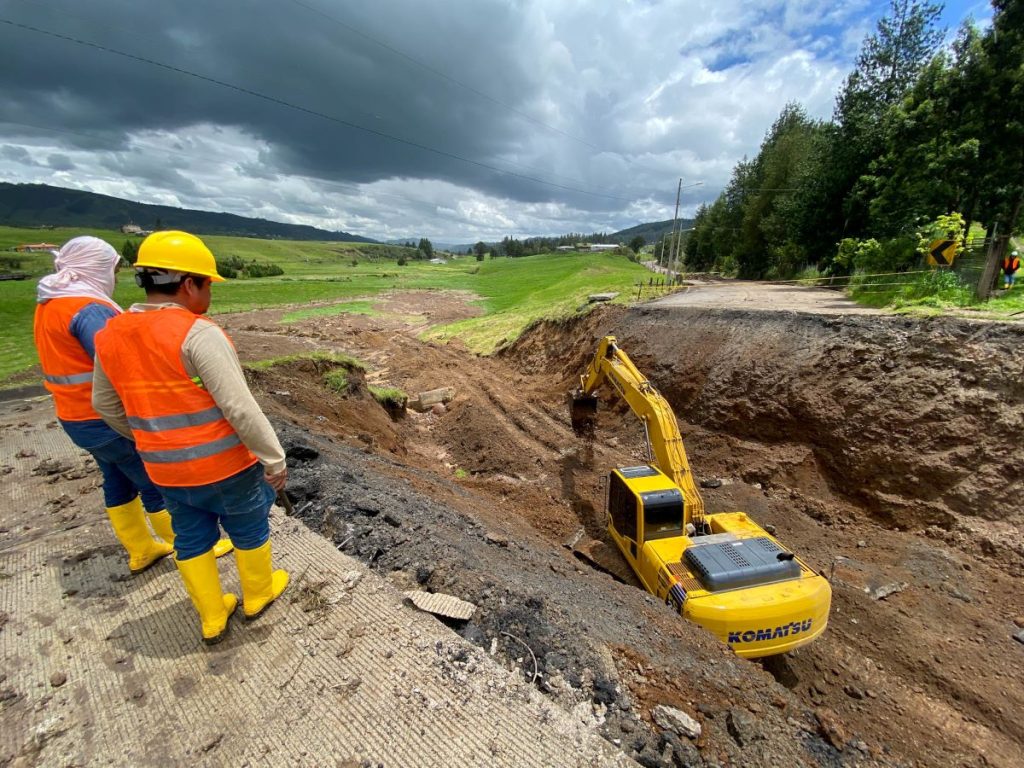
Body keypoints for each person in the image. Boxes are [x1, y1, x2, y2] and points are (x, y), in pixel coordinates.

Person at [92, 230, 289, 645]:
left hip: (164, 469)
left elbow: (106, 405)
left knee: (190, 535)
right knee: (249, 525)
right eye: (207, 285)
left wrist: (151, 438)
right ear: (187, 284)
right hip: (227, 466)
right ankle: (257, 594)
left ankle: (212, 615)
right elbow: (239, 406)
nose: (209, 295)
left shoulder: (109, 334)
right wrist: (273, 458)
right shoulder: (197, 333)